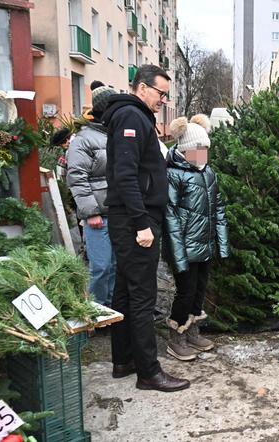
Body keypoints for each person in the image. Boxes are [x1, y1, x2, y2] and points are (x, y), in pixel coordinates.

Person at [102, 64, 189, 393]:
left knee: (125, 293)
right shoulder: (131, 118)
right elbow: (125, 175)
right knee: (142, 297)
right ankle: (149, 373)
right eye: (160, 93)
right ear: (141, 88)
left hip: (130, 218)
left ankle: (124, 360)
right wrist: (141, 223)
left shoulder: (134, 117)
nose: (163, 100)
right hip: (135, 221)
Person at [163, 114, 229, 361]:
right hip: (183, 247)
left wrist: (221, 245)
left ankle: (192, 330)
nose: (203, 154)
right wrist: (177, 255)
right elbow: (169, 217)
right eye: (199, 149)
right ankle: (176, 335)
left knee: (200, 289)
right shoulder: (173, 175)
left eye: (206, 149)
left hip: (204, 246)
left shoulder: (208, 173)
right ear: (186, 149)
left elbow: (219, 209)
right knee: (185, 291)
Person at [66, 83, 118, 307]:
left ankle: (111, 309)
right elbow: (77, 177)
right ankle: (95, 310)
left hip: (117, 212)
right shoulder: (83, 140)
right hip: (98, 216)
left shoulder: (115, 135)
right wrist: (91, 212)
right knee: (101, 266)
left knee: (115, 265)